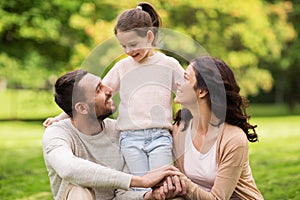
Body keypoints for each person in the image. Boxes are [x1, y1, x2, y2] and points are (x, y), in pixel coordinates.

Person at [43, 2, 184, 178]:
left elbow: (188, 93)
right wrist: (59, 118)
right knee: (141, 185)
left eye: (132, 44)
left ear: (149, 36)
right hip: (130, 139)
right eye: (123, 46)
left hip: (160, 137)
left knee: (163, 181)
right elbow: (89, 98)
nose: (128, 51)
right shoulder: (122, 67)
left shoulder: (169, 65)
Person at [42, 69, 185, 200]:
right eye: (99, 89)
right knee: (80, 191)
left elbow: (122, 192)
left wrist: (150, 195)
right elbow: (69, 168)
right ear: (82, 108)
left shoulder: (120, 131)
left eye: (103, 84)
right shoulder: (57, 133)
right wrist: (139, 181)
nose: (109, 90)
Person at [170, 56, 264, 199]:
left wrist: (179, 180)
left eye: (185, 78)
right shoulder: (179, 129)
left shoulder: (233, 139)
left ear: (202, 91)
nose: (178, 83)